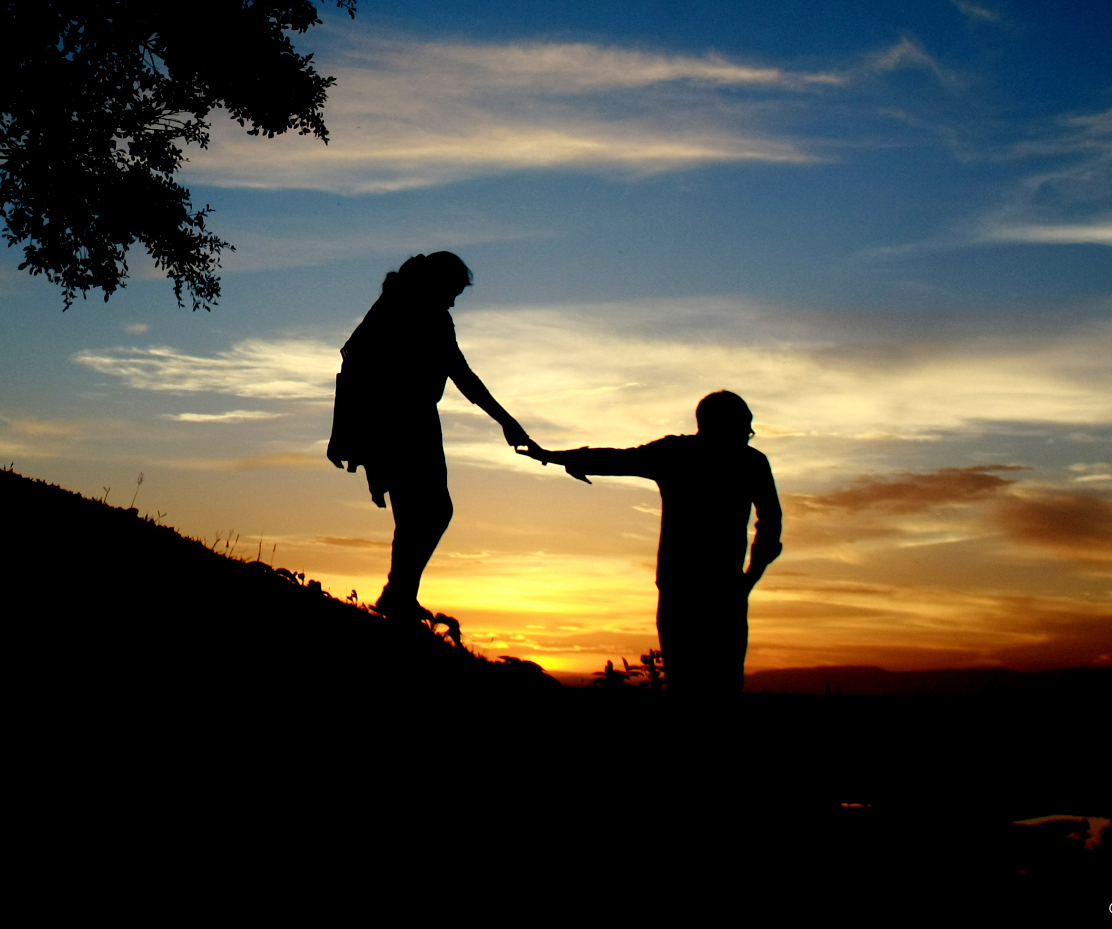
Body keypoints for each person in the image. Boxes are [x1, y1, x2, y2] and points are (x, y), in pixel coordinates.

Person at [523, 391, 782, 695]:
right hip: (717, 592)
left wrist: (554, 456)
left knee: (686, 683)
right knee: (721, 684)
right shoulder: (749, 462)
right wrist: (748, 581)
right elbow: (770, 526)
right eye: (744, 428)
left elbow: (618, 459)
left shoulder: (678, 453)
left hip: (685, 589)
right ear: (726, 425)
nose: (747, 436)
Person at [328, 252, 531, 621]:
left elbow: (460, 373)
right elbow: (357, 366)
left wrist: (505, 420)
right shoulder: (408, 311)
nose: (454, 301)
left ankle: (400, 595)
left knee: (422, 514)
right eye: (452, 291)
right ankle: (399, 596)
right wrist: (506, 420)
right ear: (437, 283)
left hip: (416, 421)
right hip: (397, 422)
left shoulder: (427, 314)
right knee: (429, 512)